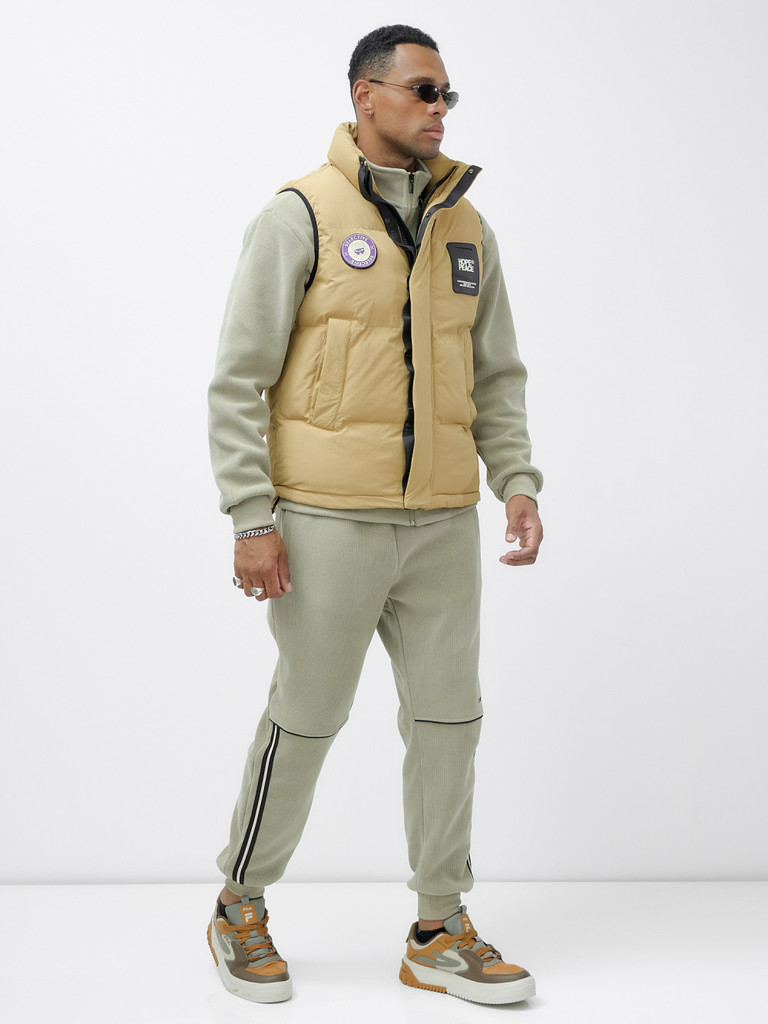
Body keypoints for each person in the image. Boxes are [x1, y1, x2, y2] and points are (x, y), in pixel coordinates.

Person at [206, 24, 543, 1007]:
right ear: (367, 95)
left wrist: (517, 480)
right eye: (423, 91)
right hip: (327, 523)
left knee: (449, 723)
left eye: (447, 95)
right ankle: (238, 904)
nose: (441, 109)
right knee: (307, 718)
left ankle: (439, 926)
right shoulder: (300, 215)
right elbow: (237, 380)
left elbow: (497, 373)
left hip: (443, 524)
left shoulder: (467, 229)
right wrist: (251, 517)